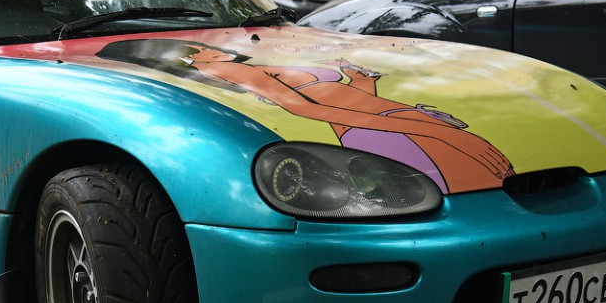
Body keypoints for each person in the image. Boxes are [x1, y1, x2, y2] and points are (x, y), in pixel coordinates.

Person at [97, 38, 513, 194]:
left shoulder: (241, 56)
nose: (204, 46)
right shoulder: (222, 68)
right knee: (469, 178)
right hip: (377, 131)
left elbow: (331, 99)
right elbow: (307, 109)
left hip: (377, 120)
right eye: (194, 50)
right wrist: (441, 133)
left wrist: (359, 83)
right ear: (187, 57)